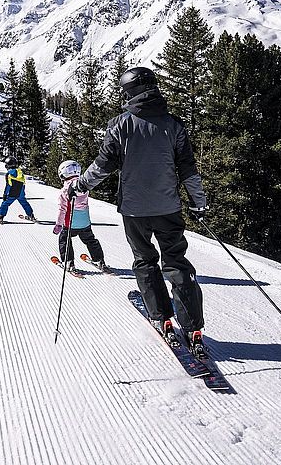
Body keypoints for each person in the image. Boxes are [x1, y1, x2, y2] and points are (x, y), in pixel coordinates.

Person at [69, 66, 209, 355]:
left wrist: (79, 186)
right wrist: (198, 201)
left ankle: (162, 319)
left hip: (134, 211)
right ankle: (193, 326)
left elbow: (103, 166)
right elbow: (188, 169)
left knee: (145, 260)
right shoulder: (174, 124)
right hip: (169, 207)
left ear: (129, 92)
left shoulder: (120, 124)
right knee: (177, 262)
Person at [54, 159, 108, 275]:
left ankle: (69, 262)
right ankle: (99, 260)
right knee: (90, 240)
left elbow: (62, 209)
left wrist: (59, 224)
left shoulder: (64, 191)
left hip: (70, 222)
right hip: (84, 222)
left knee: (65, 240)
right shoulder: (84, 186)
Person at [0, 157, 35, 224]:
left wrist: (5, 194)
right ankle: (31, 215)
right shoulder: (20, 173)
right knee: (24, 203)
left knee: (5, 203)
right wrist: (22, 193)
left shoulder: (8, 175)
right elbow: (23, 184)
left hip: (12, 193)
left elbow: (8, 185)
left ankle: (1, 216)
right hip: (20, 192)